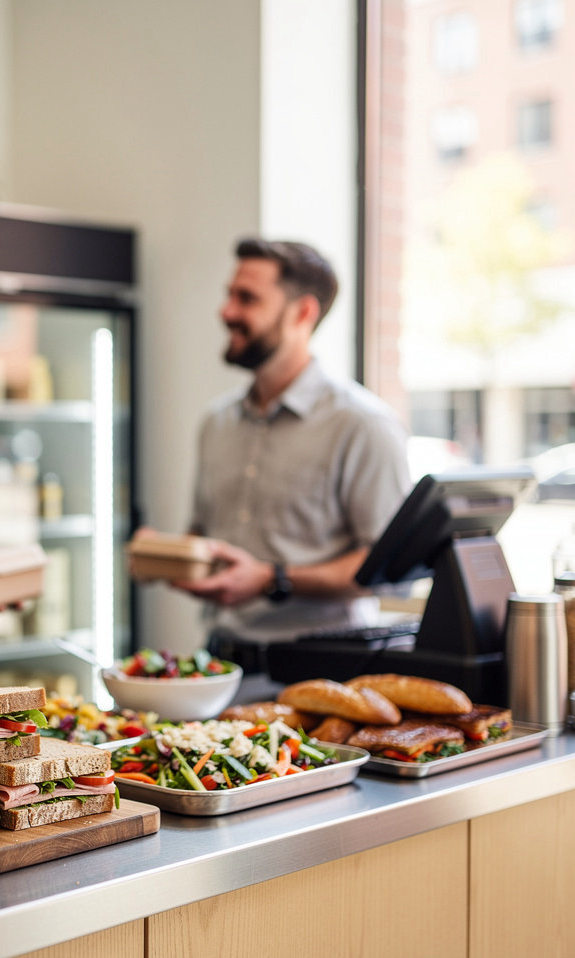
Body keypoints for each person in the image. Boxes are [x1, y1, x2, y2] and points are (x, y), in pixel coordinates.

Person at [164, 237, 411, 673]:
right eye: (229, 295)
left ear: (303, 313)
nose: (227, 312)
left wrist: (271, 579)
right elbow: (203, 534)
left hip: (325, 675)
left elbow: (387, 571)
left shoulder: (362, 425)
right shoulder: (216, 422)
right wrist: (168, 555)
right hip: (219, 667)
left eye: (247, 299)